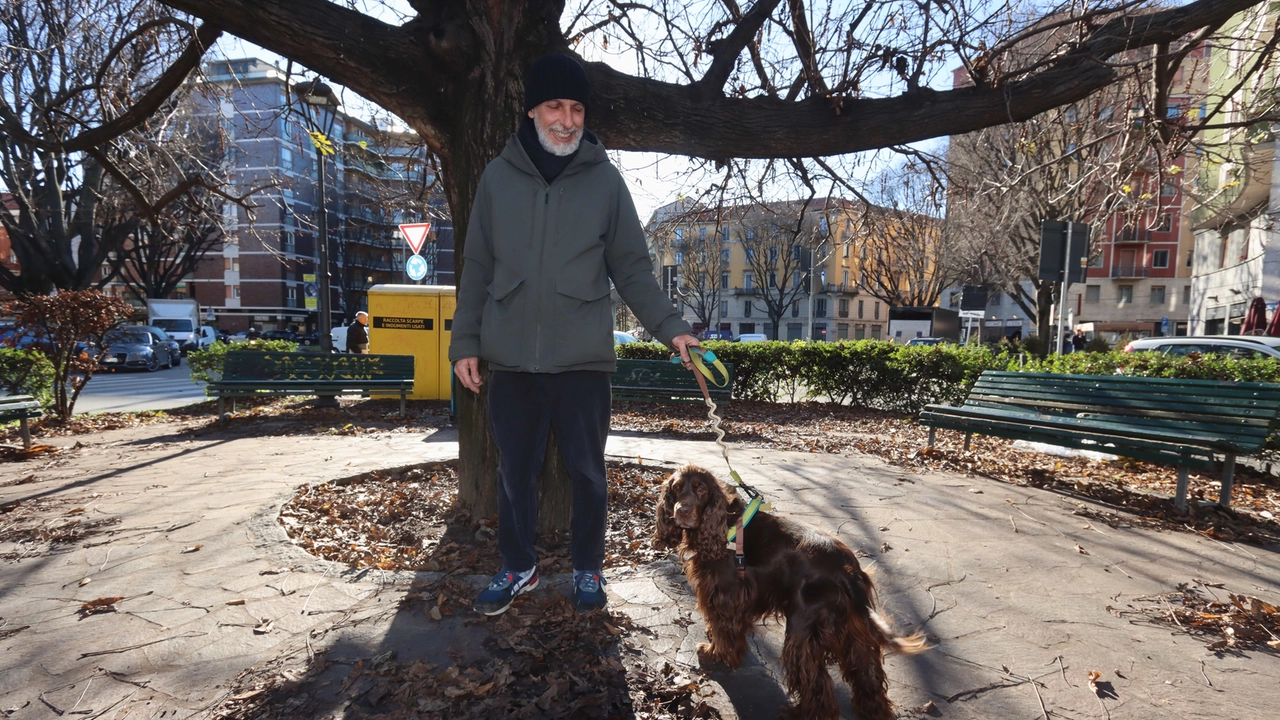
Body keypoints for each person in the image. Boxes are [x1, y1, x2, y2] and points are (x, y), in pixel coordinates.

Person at [449, 53, 700, 616]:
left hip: (583, 360)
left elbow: (633, 267)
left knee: (588, 473)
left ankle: (589, 569)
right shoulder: (496, 177)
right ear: (533, 109)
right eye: (556, 106)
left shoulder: (605, 181)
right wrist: (464, 342)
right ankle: (519, 566)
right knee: (514, 472)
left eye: (577, 108)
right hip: (510, 359)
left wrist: (672, 329)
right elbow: (477, 267)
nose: (567, 119)